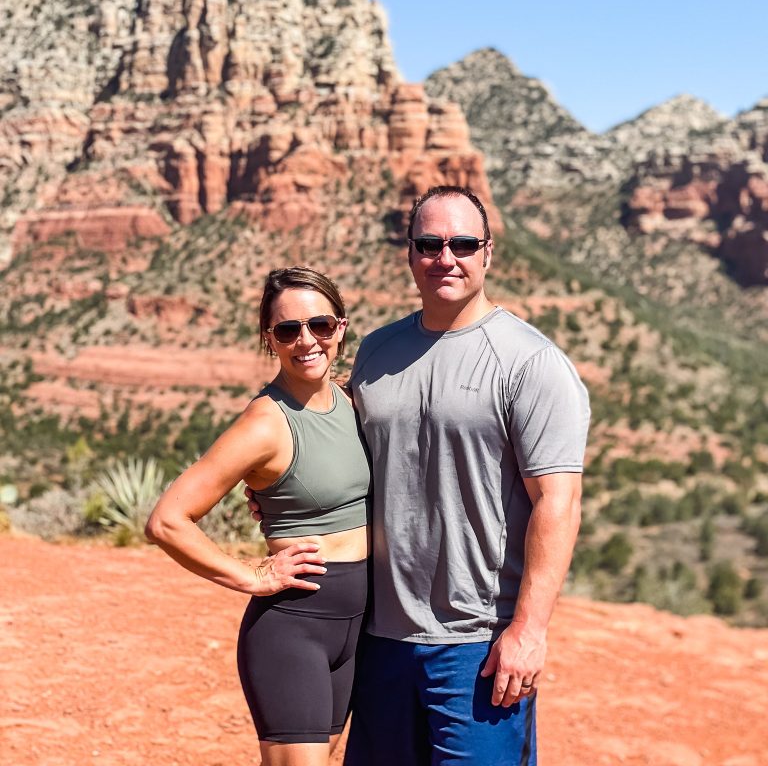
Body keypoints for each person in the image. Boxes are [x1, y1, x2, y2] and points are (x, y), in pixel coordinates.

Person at [250, 185, 589, 765]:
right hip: (379, 638)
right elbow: (338, 448)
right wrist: (279, 492)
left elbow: (558, 501)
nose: (445, 258)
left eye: (462, 243)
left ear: (488, 253)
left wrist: (528, 630)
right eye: (429, 244)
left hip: (478, 643)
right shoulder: (378, 353)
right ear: (410, 254)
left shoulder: (531, 362)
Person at [146, 266, 371, 766]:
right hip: (295, 628)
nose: (306, 341)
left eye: (321, 325)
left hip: (356, 626)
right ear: (270, 340)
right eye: (288, 330)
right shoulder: (266, 423)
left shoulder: (352, 401)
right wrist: (251, 575)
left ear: (341, 326)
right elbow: (167, 520)